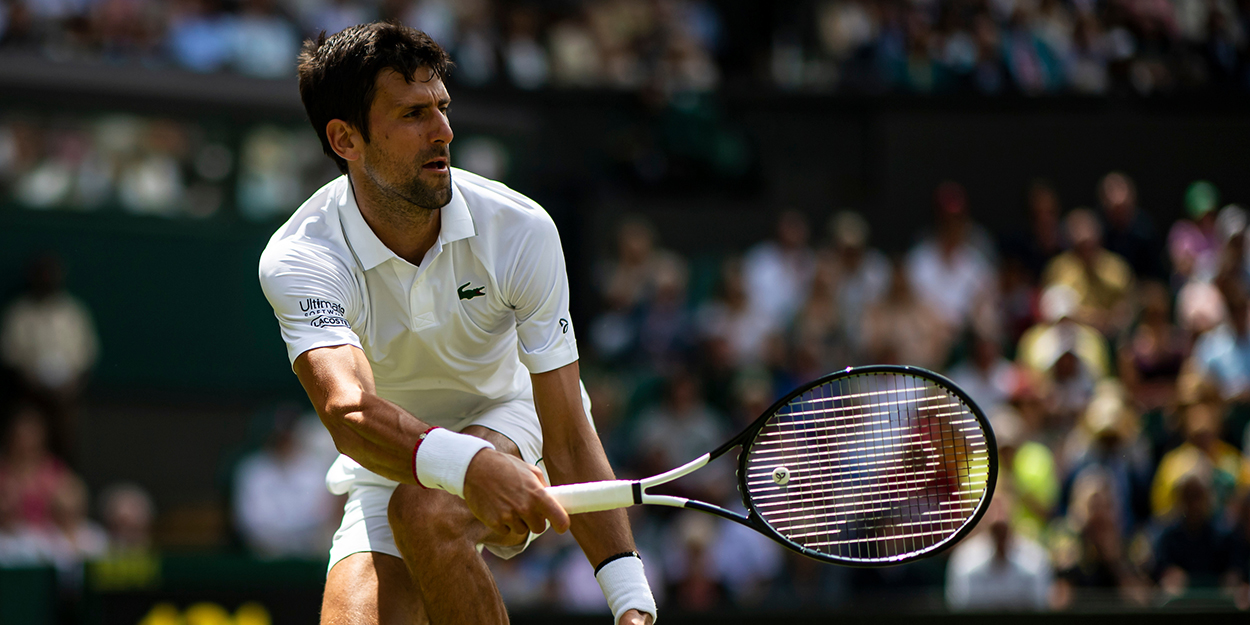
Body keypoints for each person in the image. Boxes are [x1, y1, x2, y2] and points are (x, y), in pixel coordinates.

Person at [259, 23, 655, 625]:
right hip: (390, 454)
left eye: (442, 107)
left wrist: (631, 602)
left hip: (514, 419)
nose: (443, 131)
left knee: (428, 512)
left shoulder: (521, 230)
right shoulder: (302, 257)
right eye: (414, 114)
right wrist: (468, 467)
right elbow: (349, 411)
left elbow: (569, 433)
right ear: (346, 139)